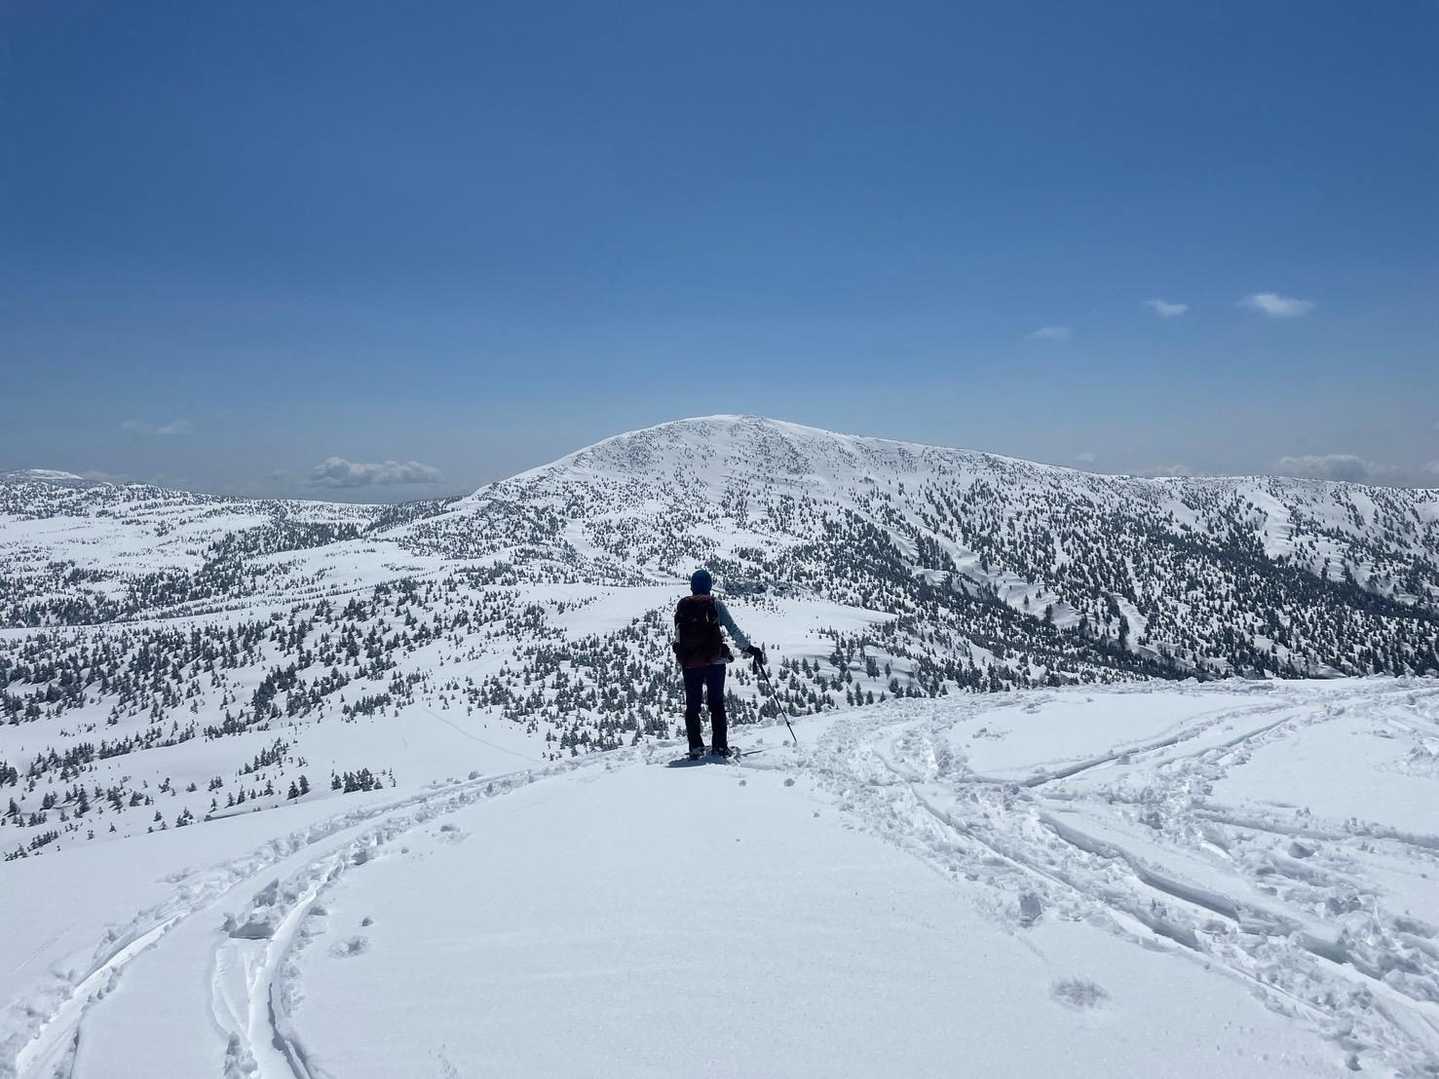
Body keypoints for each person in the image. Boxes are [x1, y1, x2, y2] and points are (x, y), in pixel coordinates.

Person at [672, 568, 765, 759]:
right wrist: (749, 648)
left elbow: (678, 636)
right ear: (709, 586)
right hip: (715, 661)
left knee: (692, 706)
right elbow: (733, 629)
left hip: (690, 663)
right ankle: (720, 747)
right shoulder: (715, 604)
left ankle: (696, 747)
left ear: (692, 586)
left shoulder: (683, 606)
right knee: (716, 704)